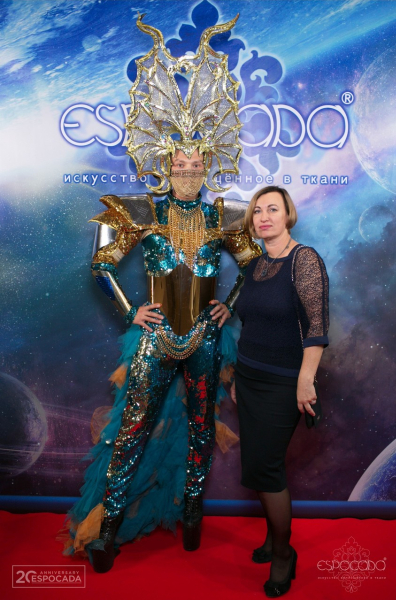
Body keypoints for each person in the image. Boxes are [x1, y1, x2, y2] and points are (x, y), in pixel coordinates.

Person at [62, 14, 261, 573]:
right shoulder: (141, 211)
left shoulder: (226, 215)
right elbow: (101, 263)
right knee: (132, 431)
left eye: (197, 163)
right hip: (155, 339)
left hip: (205, 339)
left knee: (200, 429)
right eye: (180, 162)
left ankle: (192, 510)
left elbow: (254, 266)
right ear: (165, 165)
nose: (188, 169)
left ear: (208, 166)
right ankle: (109, 528)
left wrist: (229, 304)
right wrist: (132, 310)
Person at [233, 185, 329, 597]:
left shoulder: (303, 259)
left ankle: (284, 554)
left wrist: (305, 381)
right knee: (256, 466)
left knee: (267, 469)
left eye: (273, 209)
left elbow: (317, 327)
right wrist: (237, 378)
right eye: (257, 211)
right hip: (248, 378)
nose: (263, 217)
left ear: (288, 214)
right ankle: (273, 538)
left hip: (284, 382)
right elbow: (249, 322)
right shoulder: (254, 264)